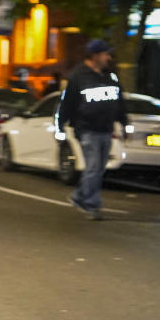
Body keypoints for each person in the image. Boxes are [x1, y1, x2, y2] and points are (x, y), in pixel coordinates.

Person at [55, 39, 128, 220]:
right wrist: (60, 128)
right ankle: (91, 204)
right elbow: (66, 105)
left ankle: (79, 196)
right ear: (95, 56)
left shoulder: (110, 76)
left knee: (99, 168)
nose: (108, 58)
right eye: (105, 54)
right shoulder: (77, 77)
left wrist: (125, 123)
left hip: (106, 129)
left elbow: (119, 103)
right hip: (87, 129)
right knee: (94, 167)